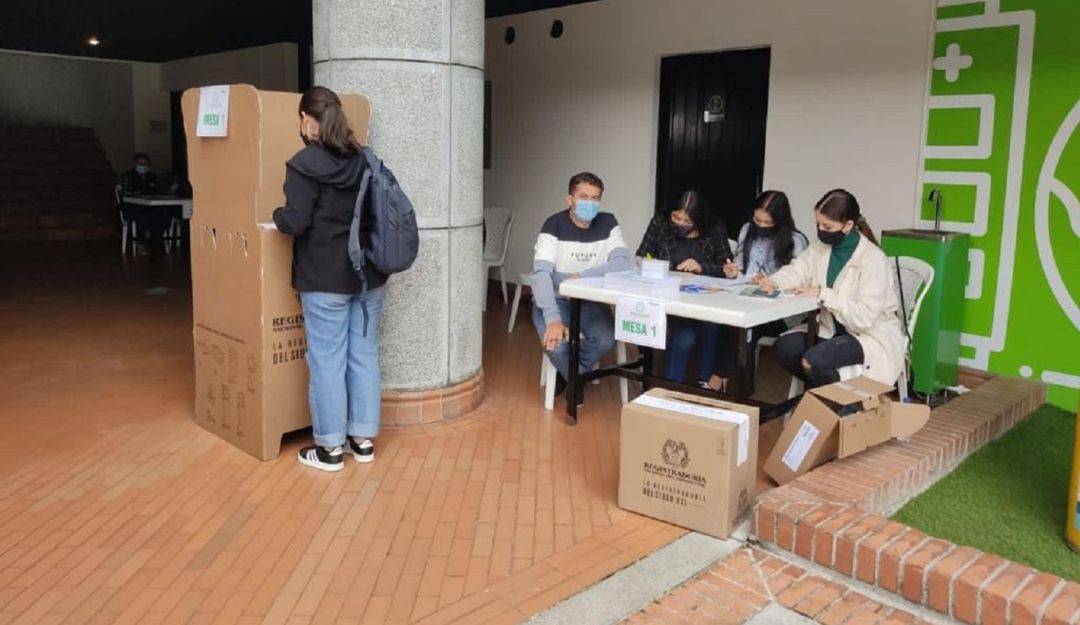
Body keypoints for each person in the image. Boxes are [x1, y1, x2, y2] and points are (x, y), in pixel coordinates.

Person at [272, 86, 386, 472]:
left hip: (325, 278)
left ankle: (329, 450)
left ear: (307, 118)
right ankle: (363, 440)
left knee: (327, 362)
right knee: (364, 356)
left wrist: (277, 215)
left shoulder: (304, 163)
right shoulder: (364, 159)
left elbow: (297, 220)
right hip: (368, 275)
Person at [756, 189, 904, 388]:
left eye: (827, 226)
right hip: (830, 328)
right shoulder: (820, 247)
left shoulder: (873, 259)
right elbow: (797, 271)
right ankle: (831, 395)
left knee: (814, 360)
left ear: (848, 225)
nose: (820, 229)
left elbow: (864, 318)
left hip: (867, 335)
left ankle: (836, 405)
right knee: (784, 348)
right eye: (818, 223)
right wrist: (774, 281)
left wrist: (823, 294)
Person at [531, 172, 633, 406]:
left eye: (595, 198)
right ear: (570, 199)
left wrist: (579, 277)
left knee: (607, 339)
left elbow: (621, 264)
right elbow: (542, 275)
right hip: (557, 300)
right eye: (584, 196)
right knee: (555, 345)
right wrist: (553, 319)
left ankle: (569, 374)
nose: (590, 202)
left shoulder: (608, 222)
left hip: (589, 301)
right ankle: (575, 377)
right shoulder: (553, 225)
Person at [707, 190, 809, 392]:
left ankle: (734, 387)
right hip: (744, 298)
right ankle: (728, 382)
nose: (760, 226)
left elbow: (800, 280)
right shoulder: (747, 230)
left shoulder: (795, 241)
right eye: (757, 220)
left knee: (745, 328)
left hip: (780, 310)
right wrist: (732, 270)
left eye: (767, 223)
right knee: (729, 320)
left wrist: (773, 282)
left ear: (780, 221)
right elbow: (739, 266)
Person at [636, 190, 732, 385]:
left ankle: (704, 382)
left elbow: (727, 268)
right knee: (685, 336)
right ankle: (672, 387)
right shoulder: (660, 223)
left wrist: (701, 267)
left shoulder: (715, 228)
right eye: (676, 217)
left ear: (699, 220)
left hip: (706, 300)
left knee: (712, 324)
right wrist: (659, 267)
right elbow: (641, 256)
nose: (679, 223)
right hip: (668, 298)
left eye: (687, 221)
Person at [119, 153, 164, 250]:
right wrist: (140, 192)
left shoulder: (151, 176)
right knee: (141, 216)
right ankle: (141, 243)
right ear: (134, 164)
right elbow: (127, 192)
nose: (142, 167)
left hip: (150, 206)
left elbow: (157, 190)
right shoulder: (128, 176)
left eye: (145, 164)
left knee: (161, 213)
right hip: (132, 206)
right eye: (140, 164)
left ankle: (156, 242)